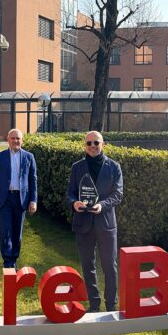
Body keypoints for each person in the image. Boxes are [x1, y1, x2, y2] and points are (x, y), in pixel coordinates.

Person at [65, 131, 123, 313]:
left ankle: (111, 304)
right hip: (83, 223)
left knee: (110, 266)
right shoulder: (77, 167)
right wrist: (74, 203)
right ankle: (94, 303)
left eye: (96, 143)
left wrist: (102, 205)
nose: (92, 146)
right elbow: (69, 193)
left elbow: (118, 194)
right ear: (85, 145)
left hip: (106, 223)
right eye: (89, 143)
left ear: (102, 144)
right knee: (88, 266)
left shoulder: (114, 167)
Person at [0, 128, 38, 270]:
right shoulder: (0, 157)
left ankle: (14, 259)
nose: (15, 141)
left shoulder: (29, 157)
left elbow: (33, 180)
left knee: (17, 234)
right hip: (4, 199)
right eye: (13, 138)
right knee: (5, 232)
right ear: (8, 140)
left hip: (21, 200)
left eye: (18, 138)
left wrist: (33, 200)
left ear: (22, 140)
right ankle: (8, 263)